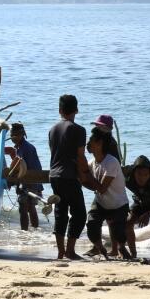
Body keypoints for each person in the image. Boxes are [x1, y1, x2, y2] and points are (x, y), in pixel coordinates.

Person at [48, 95, 95, 260]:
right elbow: (80, 157)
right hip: (69, 176)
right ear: (76, 110)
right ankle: (70, 250)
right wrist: (87, 176)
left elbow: (55, 153)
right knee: (80, 214)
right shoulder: (79, 130)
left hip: (54, 175)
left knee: (61, 212)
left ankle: (61, 251)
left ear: (60, 110)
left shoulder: (52, 129)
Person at [84, 129, 133, 260]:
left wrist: (87, 176)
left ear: (100, 144)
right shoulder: (91, 162)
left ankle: (122, 247)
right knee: (92, 225)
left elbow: (102, 188)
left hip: (118, 204)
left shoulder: (111, 162)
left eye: (91, 141)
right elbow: (90, 184)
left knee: (118, 232)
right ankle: (101, 248)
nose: (88, 144)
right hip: (101, 202)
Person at [10, 123, 42, 230]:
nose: (12, 137)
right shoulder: (22, 147)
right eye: (11, 134)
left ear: (21, 135)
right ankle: (34, 232)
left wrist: (19, 184)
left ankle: (25, 232)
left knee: (23, 208)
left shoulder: (25, 148)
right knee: (30, 207)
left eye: (14, 135)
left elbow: (28, 169)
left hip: (30, 181)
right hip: (31, 181)